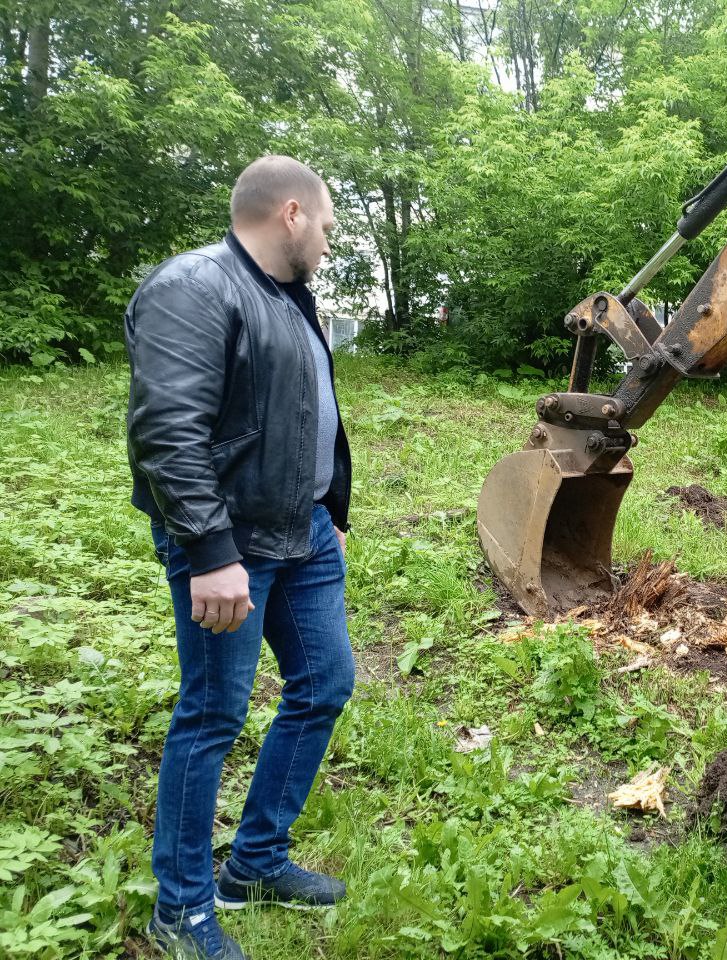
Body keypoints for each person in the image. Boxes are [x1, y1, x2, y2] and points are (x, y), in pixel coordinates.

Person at [125, 155, 355, 960]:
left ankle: (254, 862)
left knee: (325, 684)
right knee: (212, 715)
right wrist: (211, 552)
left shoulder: (286, 297)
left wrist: (332, 505)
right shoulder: (195, 287)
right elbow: (167, 432)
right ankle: (179, 909)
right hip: (231, 546)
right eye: (326, 226)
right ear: (291, 213)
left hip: (303, 536)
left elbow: (300, 410)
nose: (328, 243)